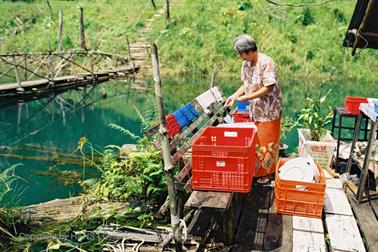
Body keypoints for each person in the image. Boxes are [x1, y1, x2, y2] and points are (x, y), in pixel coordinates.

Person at [226, 34, 283, 184]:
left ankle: (267, 173)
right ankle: (258, 171)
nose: (240, 57)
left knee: (267, 141)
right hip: (255, 110)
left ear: (250, 51)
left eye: (241, 54)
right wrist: (234, 96)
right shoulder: (246, 64)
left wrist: (247, 98)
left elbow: (269, 87)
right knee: (257, 141)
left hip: (270, 109)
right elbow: (246, 85)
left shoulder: (266, 62)